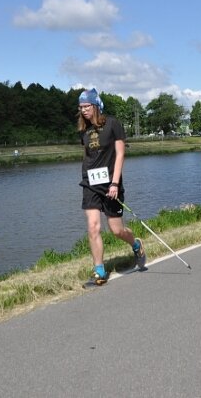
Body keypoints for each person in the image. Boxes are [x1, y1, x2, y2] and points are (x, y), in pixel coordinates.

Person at [78, 88, 146, 285]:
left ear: (96, 105)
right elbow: (88, 155)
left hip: (110, 184)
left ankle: (135, 244)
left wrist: (115, 182)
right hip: (90, 183)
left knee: (116, 230)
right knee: (93, 226)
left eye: (87, 106)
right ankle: (99, 270)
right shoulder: (84, 130)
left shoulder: (113, 124)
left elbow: (120, 155)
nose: (83, 110)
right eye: (81, 107)